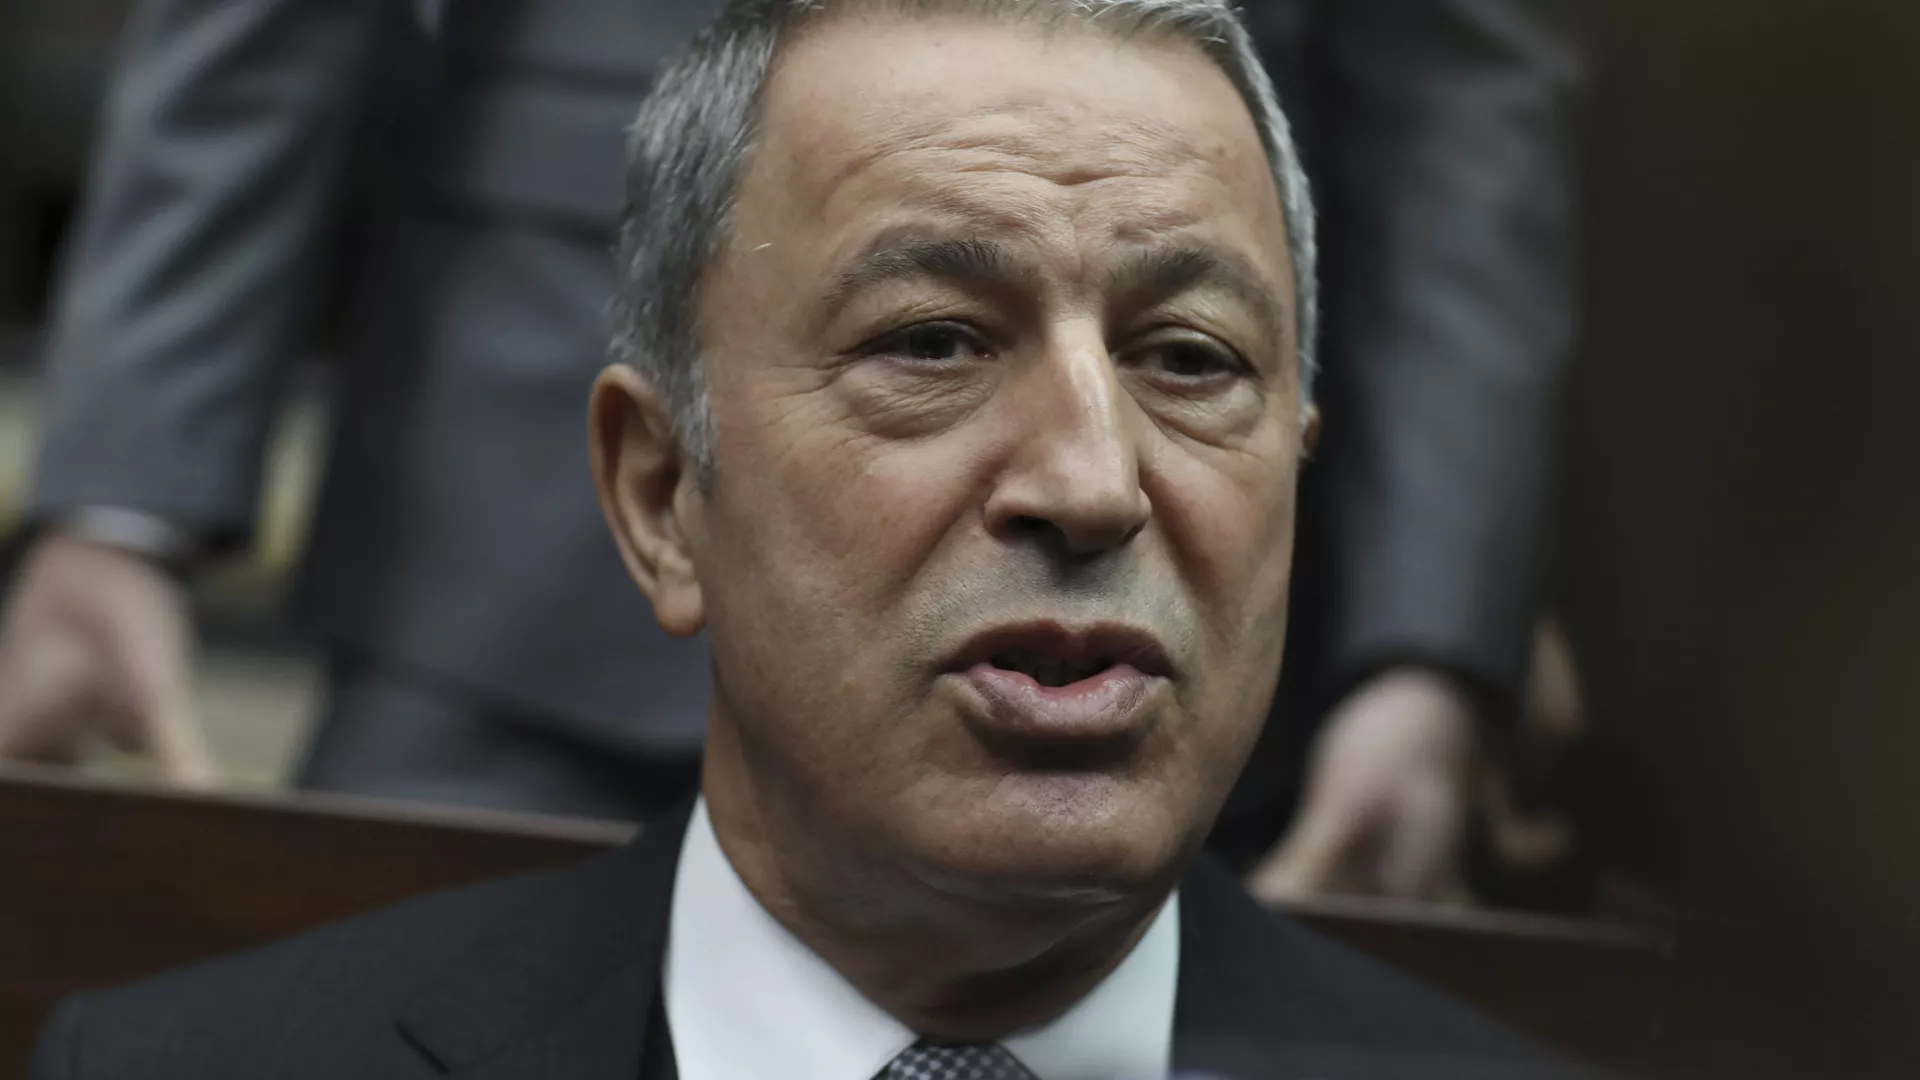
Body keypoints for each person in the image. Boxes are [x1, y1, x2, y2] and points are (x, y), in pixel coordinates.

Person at [28, 2, 1603, 1077]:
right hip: (500, 540)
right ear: (654, 488)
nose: (1086, 481)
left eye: (1190, 360)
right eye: (934, 342)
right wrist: (123, 497)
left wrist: (1426, 635)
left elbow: (1459, 81)